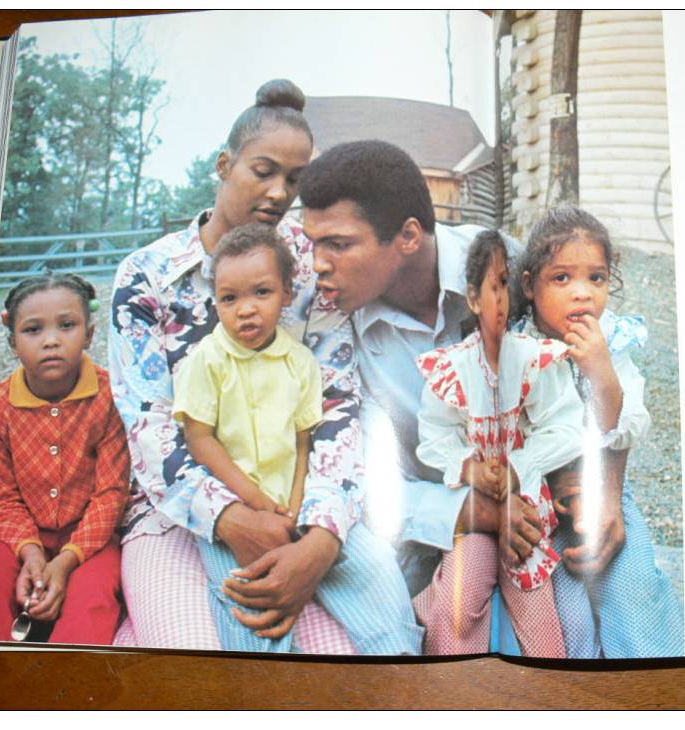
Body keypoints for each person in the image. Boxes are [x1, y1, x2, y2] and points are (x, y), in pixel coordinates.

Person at [109, 81, 421, 654]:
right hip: (179, 512)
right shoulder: (147, 277)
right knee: (205, 665)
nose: (279, 192)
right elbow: (148, 424)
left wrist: (323, 532)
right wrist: (229, 517)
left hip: (303, 498)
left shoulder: (309, 272)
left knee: (359, 657)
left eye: (295, 180)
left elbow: (336, 405)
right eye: (263, 170)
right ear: (225, 164)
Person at [299, 140, 545, 655]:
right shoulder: (327, 324)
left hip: (537, 507)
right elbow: (353, 474)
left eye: (339, 244)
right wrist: (461, 510)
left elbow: (590, 367)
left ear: (408, 236)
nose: (318, 265)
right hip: (421, 532)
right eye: (311, 243)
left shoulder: (501, 263)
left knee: (592, 622)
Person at [175, 222, 419, 653]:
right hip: (232, 507)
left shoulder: (300, 362)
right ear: (216, 302)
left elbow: (306, 440)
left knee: (377, 570)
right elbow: (200, 439)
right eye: (229, 298)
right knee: (248, 603)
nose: (245, 310)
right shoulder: (206, 362)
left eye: (261, 293)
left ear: (288, 294)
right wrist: (251, 500)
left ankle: (398, 668)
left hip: (298, 504)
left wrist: (302, 503)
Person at [511, 204, 684, 658]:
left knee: (635, 592)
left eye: (597, 278)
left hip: (605, 491)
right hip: (542, 506)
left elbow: (617, 428)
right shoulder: (517, 346)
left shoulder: (611, 341)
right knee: (569, 621)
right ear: (530, 285)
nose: (582, 294)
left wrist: (600, 369)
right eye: (562, 278)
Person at [413, 230, 583, 656]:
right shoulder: (451, 369)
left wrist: (519, 465)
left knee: (540, 620)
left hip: (525, 507)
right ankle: (449, 694)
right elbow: (433, 438)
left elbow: (566, 428)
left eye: (509, 285)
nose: (502, 300)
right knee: (459, 601)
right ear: (472, 298)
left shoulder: (534, 360)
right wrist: (467, 466)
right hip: (475, 509)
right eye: (493, 287)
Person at [0, 273, 129, 644]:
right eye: (33, 330)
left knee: (92, 598)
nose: (51, 340)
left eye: (67, 325)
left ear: (89, 333)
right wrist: (31, 553)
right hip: (18, 533)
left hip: (93, 536)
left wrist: (66, 561)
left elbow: (112, 494)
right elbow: (1, 498)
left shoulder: (111, 398)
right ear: (13, 343)